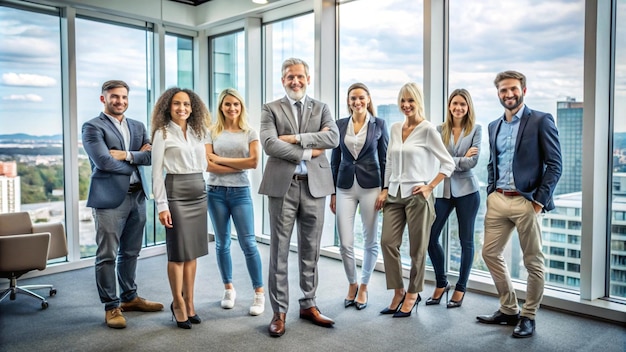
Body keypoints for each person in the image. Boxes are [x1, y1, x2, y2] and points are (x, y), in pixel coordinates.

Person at [476, 71, 562, 338]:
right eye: (503, 90)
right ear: (498, 93)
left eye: (513, 89)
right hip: (498, 200)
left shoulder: (540, 120)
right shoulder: (494, 126)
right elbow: (493, 163)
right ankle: (509, 309)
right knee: (490, 254)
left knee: (532, 262)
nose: (508, 94)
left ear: (524, 90)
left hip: (527, 201)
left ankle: (529, 316)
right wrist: (491, 192)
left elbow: (555, 165)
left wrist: (537, 202)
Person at [259, 57, 339, 337]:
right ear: (283, 80)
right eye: (290, 77)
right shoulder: (270, 109)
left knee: (311, 250)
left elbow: (333, 139)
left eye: (300, 77)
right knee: (279, 251)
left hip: (315, 186)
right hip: (284, 186)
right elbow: (269, 144)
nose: (295, 81)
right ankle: (279, 312)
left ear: (308, 78)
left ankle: (308, 304)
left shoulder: (322, 108)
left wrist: (294, 139)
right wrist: (308, 150)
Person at [82, 80, 163, 329]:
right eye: (114, 97)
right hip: (109, 200)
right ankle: (111, 306)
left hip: (137, 196)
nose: (120, 101)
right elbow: (104, 162)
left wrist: (127, 154)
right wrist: (136, 158)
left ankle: (130, 298)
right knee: (107, 255)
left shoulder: (137, 126)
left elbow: (152, 156)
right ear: (103, 98)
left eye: (124, 97)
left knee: (130, 252)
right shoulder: (92, 127)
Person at [379, 82, 455, 318]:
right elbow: (389, 161)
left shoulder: (428, 130)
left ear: (418, 102)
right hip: (394, 194)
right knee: (388, 242)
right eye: (402, 100)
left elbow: (448, 163)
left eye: (411, 100)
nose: (406, 105)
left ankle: (413, 294)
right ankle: (398, 291)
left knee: (417, 250)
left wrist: (430, 186)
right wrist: (384, 188)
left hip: (417, 197)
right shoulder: (394, 128)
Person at [151, 87, 211, 329]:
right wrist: (162, 206)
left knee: (192, 253)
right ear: (168, 106)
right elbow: (156, 173)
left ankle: (190, 302)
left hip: (199, 191)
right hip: (176, 193)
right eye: (177, 104)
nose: (182, 108)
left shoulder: (200, 132)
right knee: (177, 253)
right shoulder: (162, 133)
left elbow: (209, 161)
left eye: (186, 104)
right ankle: (177, 304)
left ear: (192, 107)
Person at [206, 88, 265, 316]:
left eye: (236, 104)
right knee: (222, 243)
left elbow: (253, 163)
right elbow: (208, 166)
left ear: (241, 107)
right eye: (228, 104)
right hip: (215, 192)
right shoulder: (211, 132)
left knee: (248, 243)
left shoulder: (250, 132)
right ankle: (228, 288)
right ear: (221, 107)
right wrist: (237, 162)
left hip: (240, 192)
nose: (232, 108)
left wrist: (220, 158)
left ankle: (258, 293)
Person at [330, 82, 388, 311]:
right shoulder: (339, 124)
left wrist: (385, 189)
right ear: (348, 101)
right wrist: (333, 191)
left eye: (361, 98)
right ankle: (352, 283)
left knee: (370, 240)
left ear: (368, 99)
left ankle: (364, 286)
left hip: (371, 186)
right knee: (345, 242)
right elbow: (335, 159)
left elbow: (385, 159)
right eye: (353, 98)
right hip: (344, 186)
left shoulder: (379, 124)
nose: (357, 102)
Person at [425, 89, 481, 309]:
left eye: (463, 104)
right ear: (449, 106)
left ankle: (461, 287)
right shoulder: (439, 130)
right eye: (455, 103)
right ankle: (441, 282)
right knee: (430, 237)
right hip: (444, 190)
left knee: (466, 240)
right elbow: (437, 161)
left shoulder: (476, 130)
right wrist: (459, 160)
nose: (458, 108)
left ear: (468, 108)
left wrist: (450, 161)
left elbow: (473, 162)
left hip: (468, 191)